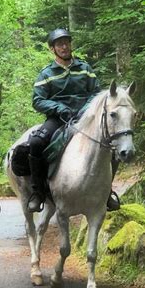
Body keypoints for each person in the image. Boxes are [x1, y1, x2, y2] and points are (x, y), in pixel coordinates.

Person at [27, 28, 121, 213]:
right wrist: (58, 108)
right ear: (52, 49)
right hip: (58, 119)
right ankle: (38, 193)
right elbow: (37, 101)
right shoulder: (46, 74)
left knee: (113, 146)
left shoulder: (85, 69)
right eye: (59, 44)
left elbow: (96, 93)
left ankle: (106, 191)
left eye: (66, 42)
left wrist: (85, 111)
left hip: (86, 118)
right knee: (36, 143)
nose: (64, 46)